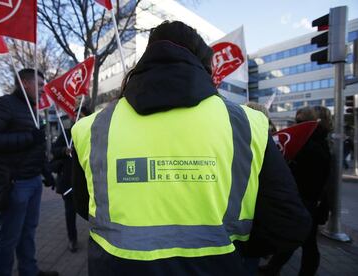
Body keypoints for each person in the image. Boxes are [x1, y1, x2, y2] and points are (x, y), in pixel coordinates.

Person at [71, 21, 311, 275]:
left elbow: (84, 204)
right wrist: (239, 251)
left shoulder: (92, 127)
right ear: (204, 65)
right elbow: (290, 222)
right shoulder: (247, 126)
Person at [0, 69, 58, 276]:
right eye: (39, 85)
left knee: (28, 233)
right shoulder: (2, 105)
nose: (42, 90)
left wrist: (45, 172)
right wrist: (28, 138)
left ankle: (28, 271)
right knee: (9, 237)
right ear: (25, 83)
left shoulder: (32, 111)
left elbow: (33, 149)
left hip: (32, 182)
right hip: (13, 184)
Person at [259, 106, 332, 276]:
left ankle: (299, 271)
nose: (296, 124)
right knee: (296, 237)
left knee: (307, 242)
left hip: (307, 199)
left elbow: (315, 176)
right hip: (304, 198)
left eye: (299, 121)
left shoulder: (313, 145)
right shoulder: (313, 142)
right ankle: (274, 267)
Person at [50, 103, 92, 253]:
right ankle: (72, 239)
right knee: (70, 212)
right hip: (69, 180)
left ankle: (97, 238)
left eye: (81, 116)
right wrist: (64, 150)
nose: (77, 118)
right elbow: (53, 150)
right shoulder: (67, 133)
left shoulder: (94, 131)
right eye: (75, 116)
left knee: (93, 211)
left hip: (90, 181)